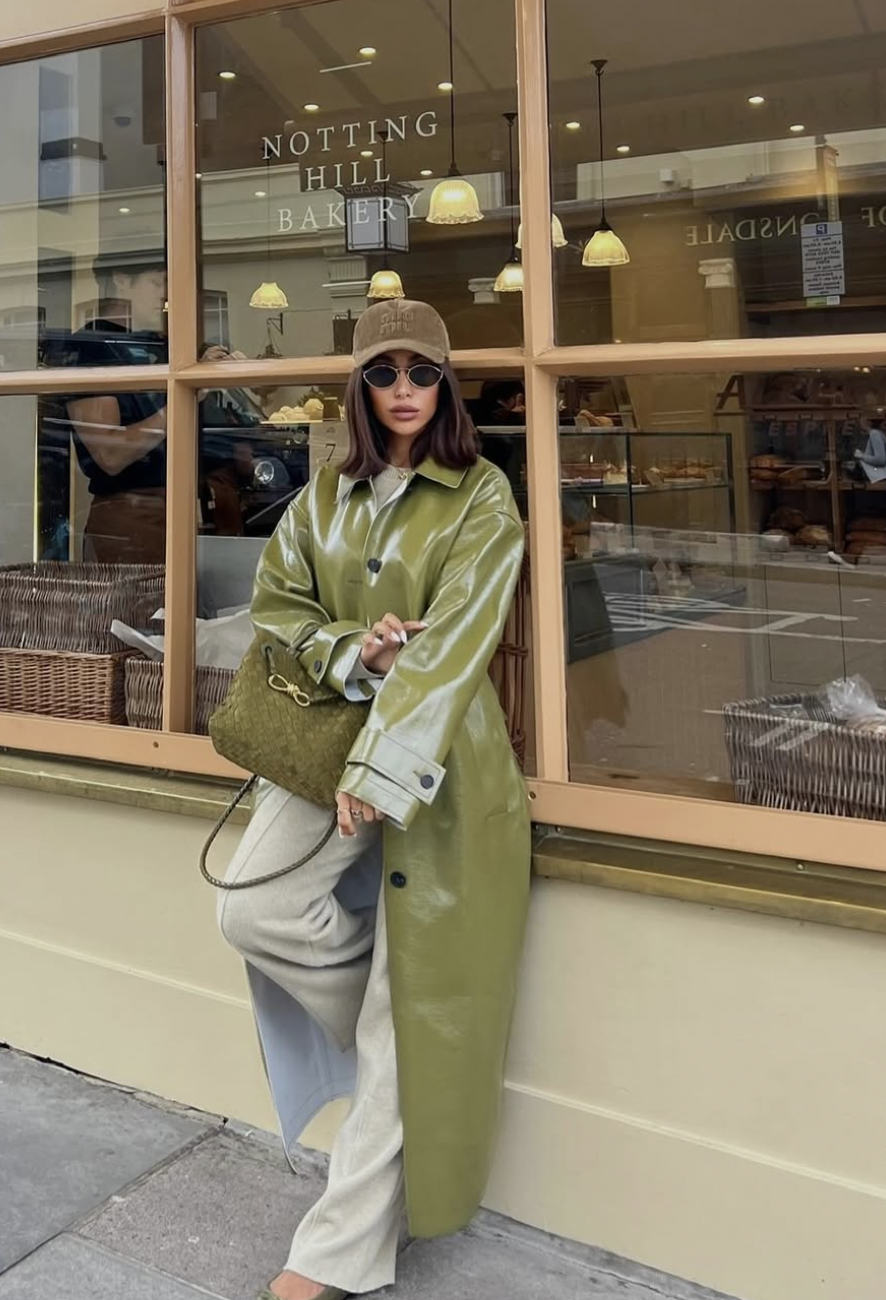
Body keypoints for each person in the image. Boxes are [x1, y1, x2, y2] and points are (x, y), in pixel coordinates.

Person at [215, 299, 531, 1300]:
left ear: (445, 385)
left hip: (439, 759)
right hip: (325, 739)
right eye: (384, 374)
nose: (403, 391)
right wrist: (354, 648)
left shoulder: (482, 496)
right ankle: (401, 1050)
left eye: (421, 373)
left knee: (411, 998)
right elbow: (279, 610)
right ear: (358, 388)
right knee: (254, 906)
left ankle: (331, 1256)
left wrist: (384, 767)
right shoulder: (323, 496)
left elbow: (458, 640)